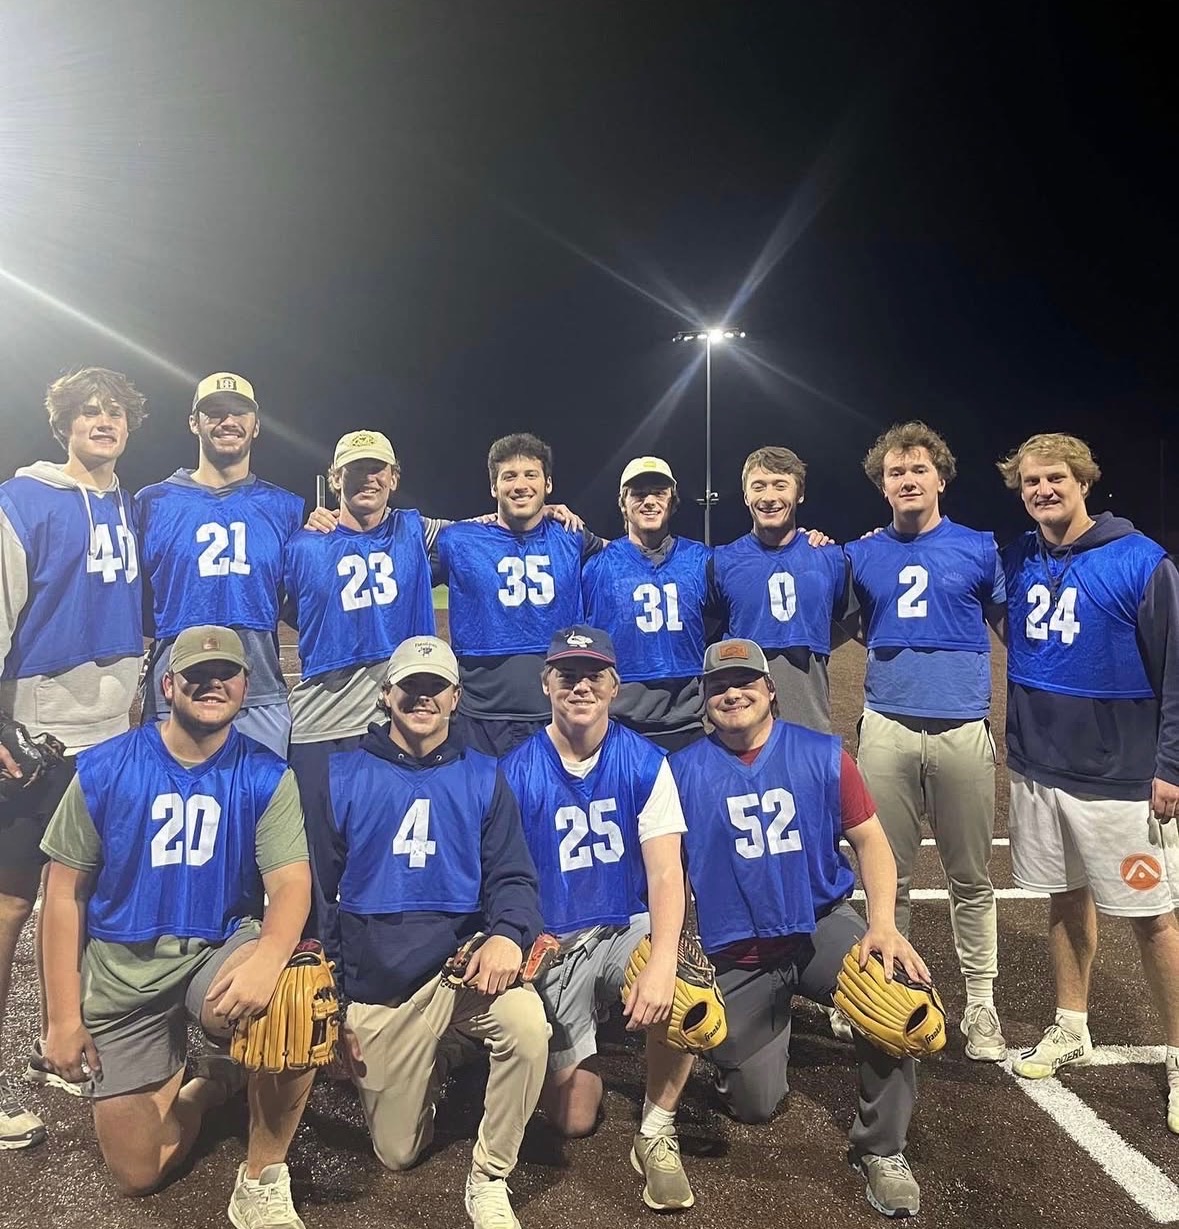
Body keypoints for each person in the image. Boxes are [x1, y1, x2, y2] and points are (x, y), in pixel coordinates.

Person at [38, 625, 315, 1225]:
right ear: (168, 684)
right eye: (196, 675)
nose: (211, 685)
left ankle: (261, 1178)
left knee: (294, 995)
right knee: (139, 1173)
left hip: (214, 949)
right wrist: (62, 1018)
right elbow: (63, 893)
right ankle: (213, 1083)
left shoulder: (266, 774)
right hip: (123, 970)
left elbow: (291, 883)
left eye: (226, 675)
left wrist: (267, 961)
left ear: (246, 685)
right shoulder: (106, 767)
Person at [669, 638, 928, 1218]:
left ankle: (882, 1150)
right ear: (705, 699)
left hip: (818, 926)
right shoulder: (680, 772)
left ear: (770, 691)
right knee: (755, 1104)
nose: (731, 693)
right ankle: (747, 1051)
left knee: (890, 997)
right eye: (718, 686)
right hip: (737, 949)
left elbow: (871, 842)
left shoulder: (822, 754)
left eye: (744, 682)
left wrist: (882, 925)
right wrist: (677, 943)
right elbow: (667, 872)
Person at [305, 635, 549, 1229]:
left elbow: (513, 877)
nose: (422, 698)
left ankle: (490, 1175)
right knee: (397, 1154)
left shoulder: (485, 777)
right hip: (379, 987)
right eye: (410, 686)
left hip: (454, 972)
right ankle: (444, 1056)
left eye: (435, 688)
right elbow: (318, 901)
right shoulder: (338, 776)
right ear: (387, 694)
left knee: (527, 1026)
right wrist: (330, 998)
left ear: (455, 698)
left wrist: (508, 935)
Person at [997, 432, 1179, 1129]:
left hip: (1120, 778)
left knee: (1152, 918)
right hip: (1041, 769)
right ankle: (1070, 1023)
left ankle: (1175, 1052)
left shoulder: (1140, 562)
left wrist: (1169, 765)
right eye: (1029, 481)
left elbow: (1173, 671)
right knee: (1063, 901)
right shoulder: (1018, 556)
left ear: (1082, 482)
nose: (1042, 489)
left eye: (1054, 478)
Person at [0, 367, 147, 1149]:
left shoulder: (129, 501)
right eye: (88, 411)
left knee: (85, 896)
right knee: (10, 903)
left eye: (114, 411)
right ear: (62, 424)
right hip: (41, 734)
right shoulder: (21, 500)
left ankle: (67, 1044)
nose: (102, 420)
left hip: (111, 737)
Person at [501, 626, 696, 1212]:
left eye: (593, 676)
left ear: (614, 686)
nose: (580, 686)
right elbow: (504, 878)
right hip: (557, 946)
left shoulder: (644, 761)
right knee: (574, 1120)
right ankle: (586, 1032)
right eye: (567, 676)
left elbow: (666, 874)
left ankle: (658, 1129)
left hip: (622, 929)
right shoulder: (514, 770)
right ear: (547, 685)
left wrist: (663, 961)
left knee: (686, 985)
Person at [843, 421, 1006, 1062]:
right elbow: (853, 621)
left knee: (971, 875)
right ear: (882, 485)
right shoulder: (862, 554)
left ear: (940, 478)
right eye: (894, 472)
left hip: (964, 725)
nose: (906, 480)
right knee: (892, 877)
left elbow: (1003, 623)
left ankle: (983, 1002)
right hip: (886, 722)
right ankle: (889, 992)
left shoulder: (979, 546)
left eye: (917, 470)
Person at [137, 373, 305, 758]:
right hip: (175, 693)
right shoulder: (152, 503)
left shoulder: (287, 509)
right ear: (194, 422)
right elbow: (137, 603)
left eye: (239, 413)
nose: (228, 421)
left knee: (261, 813)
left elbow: (298, 601)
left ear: (256, 426)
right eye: (214, 412)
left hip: (258, 694)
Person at [437, 433, 598, 757]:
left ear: (547, 484)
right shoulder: (460, 541)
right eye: (509, 476)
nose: (520, 485)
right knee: (484, 807)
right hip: (481, 719)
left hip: (557, 714)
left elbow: (628, 557)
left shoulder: (573, 537)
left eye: (531, 475)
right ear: (494, 488)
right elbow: (402, 574)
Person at [284, 429, 436, 773]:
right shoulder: (302, 546)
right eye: (355, 470)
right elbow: (290, 610)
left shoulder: (415, 530)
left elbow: (485, 533)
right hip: (321, 723)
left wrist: (540, 510)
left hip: (395, 724)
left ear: (393, 477)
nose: (368, 479)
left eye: (376, 468)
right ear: (335, 478)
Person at [712, 446, 856, 733]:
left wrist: (812, 632)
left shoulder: (828, 557)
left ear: (799, 493)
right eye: (758, 486)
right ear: (745, 496)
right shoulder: (722, 562)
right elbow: (706, 633)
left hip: (809, 722)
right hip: (742, 729)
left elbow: (852, 623)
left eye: (781, 485)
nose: (769, 497)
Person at [580, 458, 715, 752]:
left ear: (673, 502)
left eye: (659, 492)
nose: (650, 501)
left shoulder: (701, 561)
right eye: (639, 494)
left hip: (687, 724)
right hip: (620, 727)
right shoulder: (597, 568)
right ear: (623, 503)